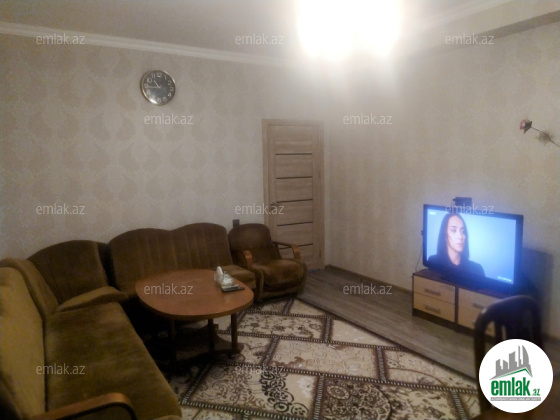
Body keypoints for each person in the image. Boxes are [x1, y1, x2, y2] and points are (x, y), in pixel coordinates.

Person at [428, 213, 485, 277]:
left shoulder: (477, 269)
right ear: (445, 235)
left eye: (463, 231)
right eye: (453, 230)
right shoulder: (434, 261)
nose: (460, 236)